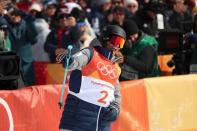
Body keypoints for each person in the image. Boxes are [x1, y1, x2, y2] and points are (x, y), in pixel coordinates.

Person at [57, 25, 126, 131]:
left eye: (121, 43)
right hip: (78, 116)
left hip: (100, 121)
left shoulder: (115, 67)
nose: (117, 46)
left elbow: (116, 92)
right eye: (115, 41)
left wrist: (116, 107)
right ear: (105, 38)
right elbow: (77, 61)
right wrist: (70, 60)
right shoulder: (91, 53)